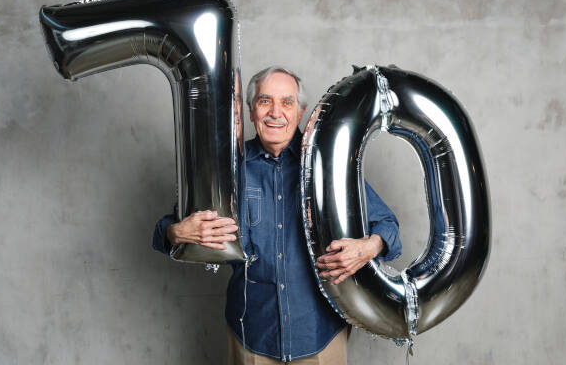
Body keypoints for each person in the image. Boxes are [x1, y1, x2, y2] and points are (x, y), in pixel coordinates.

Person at [152, 66, 401, 364]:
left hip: (321, 335)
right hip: (252, 334)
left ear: (301, 112)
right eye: (264, 101)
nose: (275, 113)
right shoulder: (228, 171)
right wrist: (177, 233)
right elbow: (163, 231)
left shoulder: (328, 167)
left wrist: (367, 248)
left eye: (286, 102)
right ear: (251, 110)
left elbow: (388, 228)